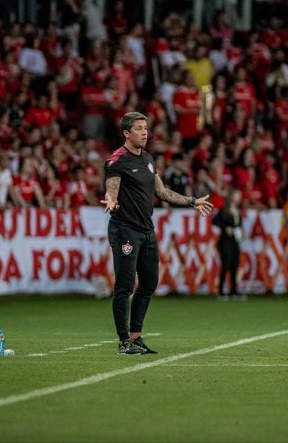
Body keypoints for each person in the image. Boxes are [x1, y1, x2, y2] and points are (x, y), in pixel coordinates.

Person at [101, 112, 213, 355]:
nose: (144, 132)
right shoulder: (116, 160)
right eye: (139, 128)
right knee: (125, 285)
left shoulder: (148, 159)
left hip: (147, 230)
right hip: (125, 230)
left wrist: (191, 201)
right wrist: (111, 201)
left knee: (150, 282)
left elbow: (162, 192)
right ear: (126, 133)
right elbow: (112, 191)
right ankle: (123, 342)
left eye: (145, 128)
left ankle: (136, 336)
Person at [212, 189, 244, 301]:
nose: (239, 198)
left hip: (235, 240)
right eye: (237, 195)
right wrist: (226, 228)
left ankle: (234, 290)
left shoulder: (237, 211)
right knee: (226, 264)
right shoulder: (224, 210)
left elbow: (239, 225)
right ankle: (220, 291)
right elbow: (215, 222)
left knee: (235, 265)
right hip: (225, 241)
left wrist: (240, 232)